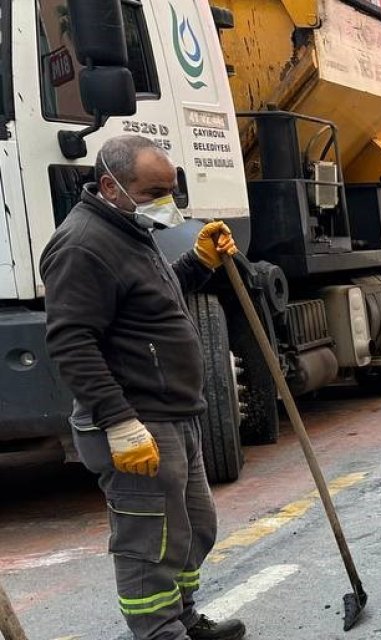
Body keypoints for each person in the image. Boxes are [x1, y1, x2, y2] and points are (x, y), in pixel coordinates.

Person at [40, 135, 246, 639]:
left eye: (171, 191)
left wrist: (198, 264)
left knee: (194, 528)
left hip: (173, 414)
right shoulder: (81, 245)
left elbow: (151, 306)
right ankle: (158, 632)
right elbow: (71, 342)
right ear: (111, 186)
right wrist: (118, 421)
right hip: (136, 422)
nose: (167, 204)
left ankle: (183, 616)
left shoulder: (129, 230)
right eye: (154, 191)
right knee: (148, 540)